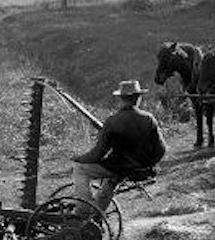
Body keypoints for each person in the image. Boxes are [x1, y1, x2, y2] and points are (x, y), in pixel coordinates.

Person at [70, 80, 166, 211]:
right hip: (141, 169)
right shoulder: (149, 119)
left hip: (118, 167)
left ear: (121, 98)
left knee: (80, 169)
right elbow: (161, 149)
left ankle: (83, 211)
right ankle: (96, 217)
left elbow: (98, 153)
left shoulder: (112, 121)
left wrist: (79, 158)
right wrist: (147, 165)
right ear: (138, 98)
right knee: (109, 184)